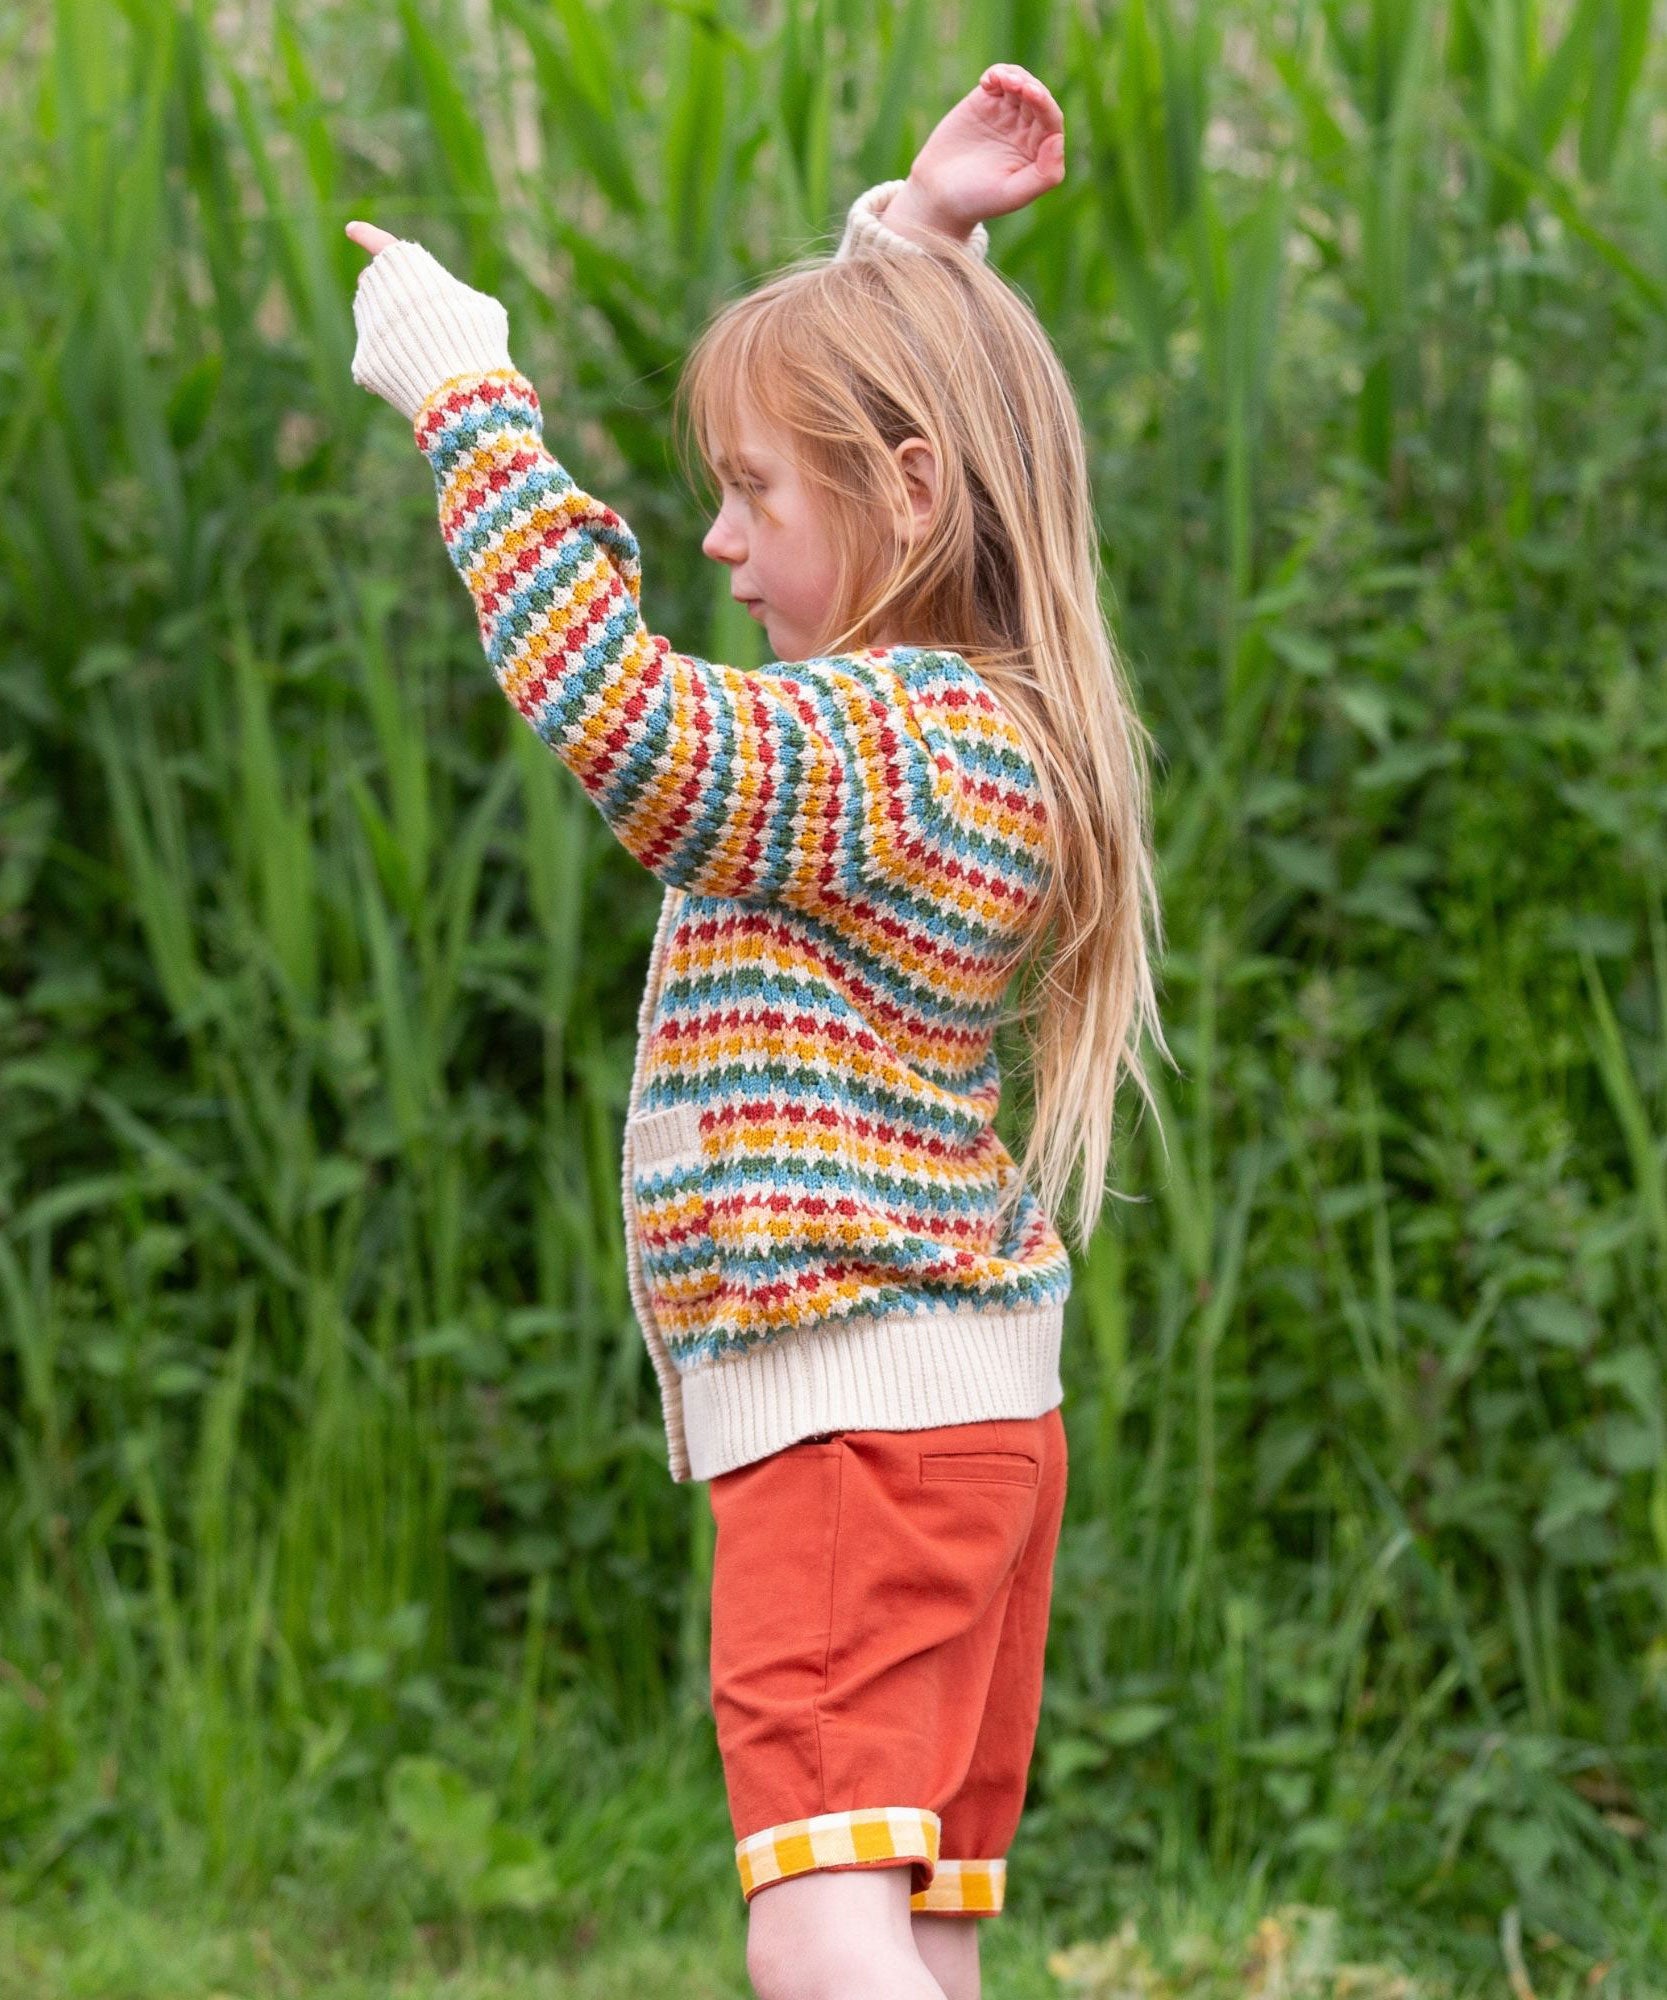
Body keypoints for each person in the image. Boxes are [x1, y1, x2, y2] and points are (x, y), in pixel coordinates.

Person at [346, 60, 1165, 2000]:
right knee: (916, 1922)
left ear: (901, 498)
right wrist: (916, 241)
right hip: (973, 1419)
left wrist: (469, 398)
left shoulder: (878, 749)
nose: (717, 539)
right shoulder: (986, 721)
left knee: (817, 1929)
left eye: (752, 493)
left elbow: (624, 719)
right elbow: (910, 424)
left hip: (851, 1414)